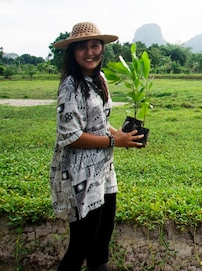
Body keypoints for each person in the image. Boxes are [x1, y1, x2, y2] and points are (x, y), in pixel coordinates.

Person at [49, 22, 143, 271]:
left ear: (102, 49)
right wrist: (115, 140)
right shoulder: (71, 86)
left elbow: (101, 121)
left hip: (103, 171)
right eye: (82, 47)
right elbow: (70, 136)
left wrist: (122, 136)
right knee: (80, 245)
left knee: (101, 242)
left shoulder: (98, 79)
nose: (89, 52)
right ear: (72, 52)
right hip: (80, 175)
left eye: (94, 45)